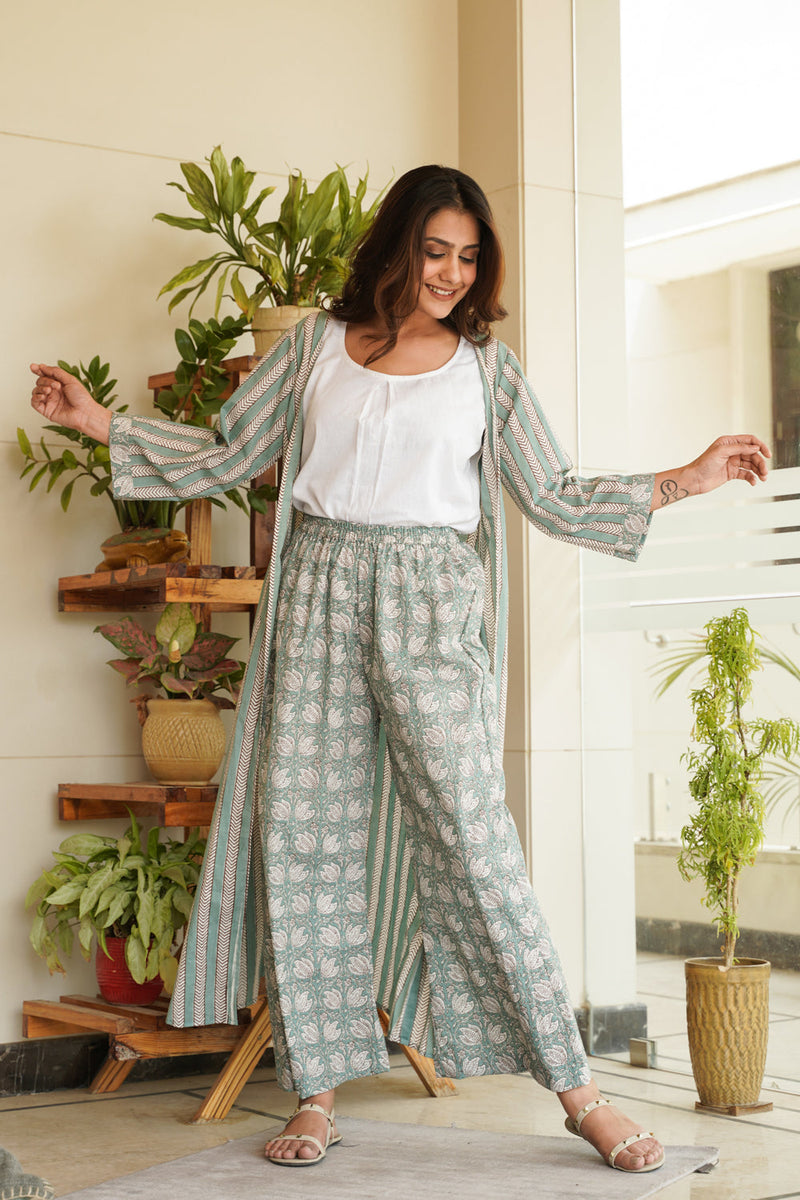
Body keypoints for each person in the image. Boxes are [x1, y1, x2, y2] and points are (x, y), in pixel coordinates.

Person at [30, 165, 769, 1176]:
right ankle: (317, 1094)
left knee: (475, 840)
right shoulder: (311, 350)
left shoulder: (488, 372)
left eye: (467, 258)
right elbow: (225, 454)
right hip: (318, 595)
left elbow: (552, 493)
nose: (450, 274)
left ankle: (580, 1095)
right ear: (396, 248)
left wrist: (687, 476)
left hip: (428, 600)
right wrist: (96, 421)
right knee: (308, 843)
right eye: (434, 252)